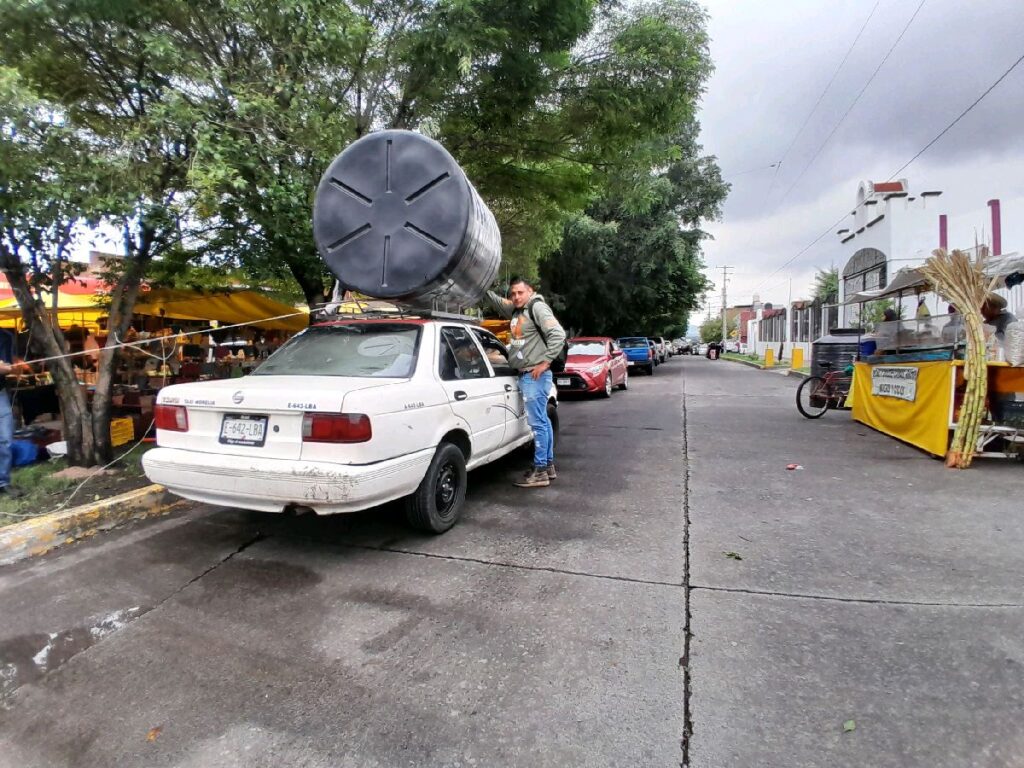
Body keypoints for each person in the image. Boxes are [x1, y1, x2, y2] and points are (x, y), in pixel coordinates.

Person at [487, 277, 566, 488]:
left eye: (520, 292)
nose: (516, 297)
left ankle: (540, 470)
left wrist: (545, 362)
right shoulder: (517, 310)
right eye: (513, 293)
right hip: (529, 375)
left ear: (530, 291)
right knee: (543, 421)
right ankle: (547, 466)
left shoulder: (537, 308)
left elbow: (558, 334)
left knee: (537, 422)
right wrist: (480, 284)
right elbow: (497, 302)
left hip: (535, 375)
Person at [0, 359, 24, 498]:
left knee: (5, 439)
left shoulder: (4, 338)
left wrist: (11, 368)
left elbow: (10, 366)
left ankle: (3, 482)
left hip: (0, 394)